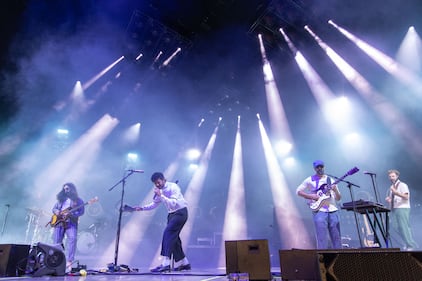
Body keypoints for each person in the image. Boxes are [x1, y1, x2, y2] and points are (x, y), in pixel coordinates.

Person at [133, 172, 190, 272]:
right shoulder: (160, 191)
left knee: (168, 233)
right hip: (171, 215)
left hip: (180, 213)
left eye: (158, 182)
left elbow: (173, 204)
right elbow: (154, 204)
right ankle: (185, 263)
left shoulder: (173, 187)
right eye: (155, 183)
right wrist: (142, 208)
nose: (157, 185)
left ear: (164, 179)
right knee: (174, 239)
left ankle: (166, 263)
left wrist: (161, 195)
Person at [296, 160, 342, 249]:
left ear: (324, 167)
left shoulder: (330, 180)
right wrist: (311, 196)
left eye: (321, 166)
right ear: (314, 168)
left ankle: (339, 258)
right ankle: (323, 260)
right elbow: (298, 191)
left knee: (337, 237)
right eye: (317, 167)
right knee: (322, 237)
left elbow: (338, 198)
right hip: (319, 210)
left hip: (333, 209)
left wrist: (335, 189)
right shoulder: (310, 179)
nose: (319, 168)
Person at [51, 182, 85, 272]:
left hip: (71, 222)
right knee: (57, 243)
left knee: (73, 239)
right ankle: (55, 261)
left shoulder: (78, 200)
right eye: (64, 189)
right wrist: (57, 211)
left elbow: (81, 211)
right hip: (59, 222)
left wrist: (72, 214)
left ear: (72, 189)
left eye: (67, 189)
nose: (65, 190)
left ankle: (69, 262)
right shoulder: (61, 200)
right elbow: (53, 208)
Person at [385, 169, 418, 250]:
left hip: (402, 208)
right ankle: (407, 242)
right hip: (394, 208)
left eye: (393, 176)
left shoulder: (402, 185)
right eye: (390, 176)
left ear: (397, 176)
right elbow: (392, 198)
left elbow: (406, 197)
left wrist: (396, 193)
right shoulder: (391, 187)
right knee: (395, 226)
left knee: (404, 227)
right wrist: (389, 199)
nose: (391, 178)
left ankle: (411, 245)